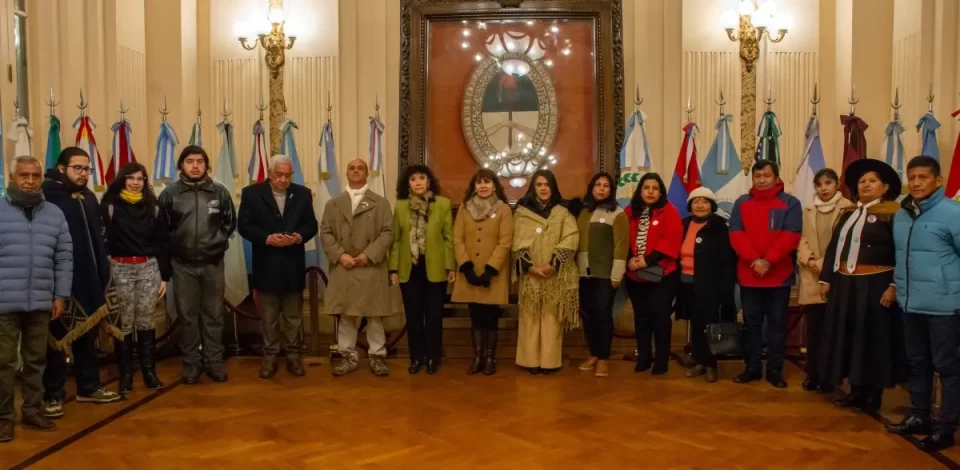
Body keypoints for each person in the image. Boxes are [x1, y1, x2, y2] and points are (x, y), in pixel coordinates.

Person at [818, 158, 907, 414]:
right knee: (850, 338)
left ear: (885, 187)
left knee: (872, 340)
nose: (866, 185)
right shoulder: (848, 213)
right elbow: (835, 248)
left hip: (877, 285)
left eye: (872, 181)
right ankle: (855, 391)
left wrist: (894, 285)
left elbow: (902, 252)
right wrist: (826, 279)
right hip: (845, 285)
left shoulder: (893, 214)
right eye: (861, 181)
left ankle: (873, 395)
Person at [885, 156, 960, 451]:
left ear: (938, 181)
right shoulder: (901, 215)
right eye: (912, 177)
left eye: (923, 177)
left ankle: (946, 428)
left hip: (944, 307)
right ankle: (919, 417)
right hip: (910, 303)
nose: (916, 183)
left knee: (948, 368)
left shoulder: (953, 213)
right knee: (917, 364)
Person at [42, 147, 122, 420]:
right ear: (62, 168)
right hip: (58, 282)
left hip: (89, 276)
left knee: (86, 335)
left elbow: (98, 238)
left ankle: (88, 386)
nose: (83, 174)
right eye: (78, 168)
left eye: (87, 169)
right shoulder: (47, 196)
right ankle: (53, 393)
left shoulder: (88, 197)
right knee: (56, 341)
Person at [0, 156, 72, 442]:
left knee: (36, 360)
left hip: (42, 301)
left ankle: (32, 409)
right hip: (4, 302)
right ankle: (4, 417)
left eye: (35, 175)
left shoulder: (54, 213)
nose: (30, 181)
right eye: (24, 175)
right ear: (12, 177)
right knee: (4, 362)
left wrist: (61, 295)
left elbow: (64, 257)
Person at [159, 145, 237, 384]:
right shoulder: (170, 194)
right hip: (182, 266)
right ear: (181, 165)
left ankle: (214, 362)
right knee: (188, 316)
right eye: (190, 161)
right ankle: (192, 363)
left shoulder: (219, 193)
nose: (195, 166)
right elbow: (162, 229)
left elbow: (230, 223)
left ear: (206, 165)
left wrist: (216, 242)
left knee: (214, 315)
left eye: (200, 161)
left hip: (213, 264)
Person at [238, 155, 318, 379]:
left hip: (293, 263)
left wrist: (299, 237)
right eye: (279, 175)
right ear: (270, 173)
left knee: (293, 317)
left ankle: (293, 357)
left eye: (287, 175)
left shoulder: (302, 194)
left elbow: (311, 224)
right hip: (266, 264)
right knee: (269, 317)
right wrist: (266, 238)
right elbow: (243, 226)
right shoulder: (251, 194)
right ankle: (270, 357)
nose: (283, 180)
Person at [729, 160, 801, 388]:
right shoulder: (742, 202)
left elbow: (791, 234)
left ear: (776, 177)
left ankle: (774, 370)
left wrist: (768, 260)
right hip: (749, 275)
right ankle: (751, 368)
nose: (761, 180)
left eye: (766, 175)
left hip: (778, 276)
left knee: (777, 325)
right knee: (751, 325)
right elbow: (736, 234)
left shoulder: (791, 203)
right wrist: (755, 260)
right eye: (757, 176)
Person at [100, 162, 171, 393]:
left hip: (148, 268)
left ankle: (149, 372)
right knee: (125, 322)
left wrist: (164, 276)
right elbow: (103, 241)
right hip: (120, 269)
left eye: (140, 179)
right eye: (130, 178)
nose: (135, 183)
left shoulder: (154, 206)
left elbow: (163, 242)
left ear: (145, 181)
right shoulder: (110, 205)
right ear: (122, 179)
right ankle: (126, 375)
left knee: (146, 320)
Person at [319, 158, 394, 377]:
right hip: (345, 267)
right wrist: (340, 255)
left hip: (371, 267)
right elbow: (325, 232)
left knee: (375, 315)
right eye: (352, 168)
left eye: (360, 168)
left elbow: (388, 232)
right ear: (346, 173)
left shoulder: (381, 203)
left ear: (367, 173)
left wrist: (367, 255)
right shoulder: (333, 204)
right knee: (347, 315)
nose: (356, 171)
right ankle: (347, 357)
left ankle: (377, 356)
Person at [388, 165, 454, 375]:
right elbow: (396, 240)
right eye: (413, 179)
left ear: (429, 181)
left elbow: (448, 238)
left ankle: (433, 358)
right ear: (407, 183)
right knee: (413, 316)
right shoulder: (400, 206)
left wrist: (450, 265)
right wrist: (393, 269)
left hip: (435, 269)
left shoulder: (443, 204)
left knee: (434, 317)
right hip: (410, 270)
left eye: (421, 178)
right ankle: (416, 358)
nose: (417, 182)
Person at [512, 169, 579, 374]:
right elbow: (515, 243)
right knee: (530, 317)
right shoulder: (522, 212)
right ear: (533, 187)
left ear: (553, 187)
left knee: (551, 319)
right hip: (530, 275)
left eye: (547, 185)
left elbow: (571, 237)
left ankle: (549, 362)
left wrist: (553, 264)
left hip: (555, 275)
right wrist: (530, 267)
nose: (543, 188)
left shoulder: (562, 212)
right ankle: (529, 361)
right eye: (539, 184)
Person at [452, 169, 514, 376]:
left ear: (495, 185)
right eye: (479, 183)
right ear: (474, 186)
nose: (483, 186)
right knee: (475, 317)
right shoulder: (465, 208)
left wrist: (490, 270)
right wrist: (466, 267)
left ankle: (490, 358)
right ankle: (477, 358)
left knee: (491, 318)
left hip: (492, 275)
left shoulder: (504, 209)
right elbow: (457, 239)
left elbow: (505, 242)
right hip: (470, 273)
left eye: (487, 182)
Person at [796, 168, 853, 393]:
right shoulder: (808, 209)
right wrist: (810, 261)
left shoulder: (848, 208)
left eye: (828, 183)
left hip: (836, 277)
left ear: (837, 184)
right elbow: (802, 238)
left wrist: (823, 265)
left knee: (835, 331)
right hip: (812, 275)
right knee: (815, 330)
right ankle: (813, 374)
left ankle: (832, 377)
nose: (824, 188)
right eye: (819, 184)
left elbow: (846, 243)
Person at [623, 173, 682, 375]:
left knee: (660, 317)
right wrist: (630, 258)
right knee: (641, 317)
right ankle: (644, 357)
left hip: (662, 275)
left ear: (660, 192)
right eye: (646, 187)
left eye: (655, 188)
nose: (650, 191)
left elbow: (671, 240)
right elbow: (622, 238)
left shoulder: (670, 211)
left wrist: (646, 260)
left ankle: (662, 360)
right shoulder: (629, 211)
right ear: (640, 190)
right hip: (634, 275)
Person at [676, 187, 736, 383]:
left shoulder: (719, 226)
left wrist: (725, 289)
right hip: (686, 283)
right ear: (690, 205)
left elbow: (728, 259)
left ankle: (711, 365)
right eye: (696, 201)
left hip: (710, 286)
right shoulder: (684, 224)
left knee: (709, 326)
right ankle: (699, 361)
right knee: (695, 325)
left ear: (712, 205)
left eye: (704, 201)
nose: (700, 205)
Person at [575, 172, 628, 378]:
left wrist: (617, 274)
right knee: (588, 316)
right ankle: (594, 354)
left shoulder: (617, 213)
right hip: (583, 273)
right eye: (598, 184)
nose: (601, 188)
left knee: (603, 314)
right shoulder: (583, 212)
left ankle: (604, 358)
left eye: (606, 185)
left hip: (606, 274)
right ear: (591, 188)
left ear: (611, 191)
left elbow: (621, 245)